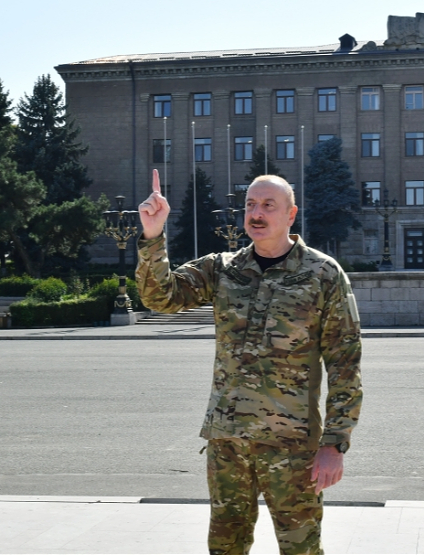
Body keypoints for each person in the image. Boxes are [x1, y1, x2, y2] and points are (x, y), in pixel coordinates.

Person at [136, 169, 362, 555]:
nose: (256, 214)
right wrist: (154, 236)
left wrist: (334, 443)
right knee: (225, 547)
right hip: (228, 441)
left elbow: (344, 363)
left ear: (291, 215)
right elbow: (161, 298)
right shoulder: (222, 268)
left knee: (301, 549)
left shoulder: (322, 274)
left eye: (268, 206)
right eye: (250, 205)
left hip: (291, 445)